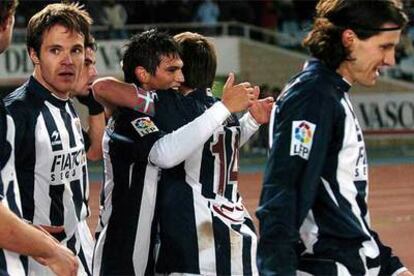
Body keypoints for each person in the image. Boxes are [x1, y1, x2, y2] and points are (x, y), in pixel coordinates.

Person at [256, 0, 413, 275]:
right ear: (350, 39)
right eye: (384, 47)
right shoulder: (312, 96)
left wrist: (391, 268)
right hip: (332, 265)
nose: (390, 60)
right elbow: (283, 195)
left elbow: (345, 209)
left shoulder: (330, 92)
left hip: (355, 262)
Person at [92, 29, 256, 276]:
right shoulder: (136, 114)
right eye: (171, 70)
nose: (178, 77)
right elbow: (164, 153)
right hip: (126, 242)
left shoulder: (178, 110)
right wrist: (236, 114)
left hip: (169, 241)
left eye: (181, 69)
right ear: (144, 73)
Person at [3, 3, 94, 275]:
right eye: (56, 50)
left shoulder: (65, 103)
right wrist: (28, 231)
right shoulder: (15, 113)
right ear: (34, 54)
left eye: (75, 50)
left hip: (79, 244)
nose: (68, 60)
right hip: (38, 258)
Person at [71, 36, 105, 161]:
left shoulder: (66, 109)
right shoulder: (27, 110)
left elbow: (94, 153)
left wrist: (95, 106)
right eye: (86, 64)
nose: (94, 72)